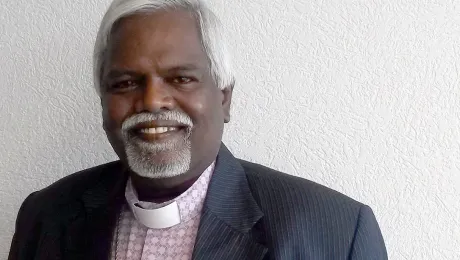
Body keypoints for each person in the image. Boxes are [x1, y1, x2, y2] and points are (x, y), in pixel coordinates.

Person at [8, 0, 387, 259]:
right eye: (125, 83)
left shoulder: (336, 232)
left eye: (181, 78)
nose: (153, 101)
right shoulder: (46, 216)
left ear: (224, 98)